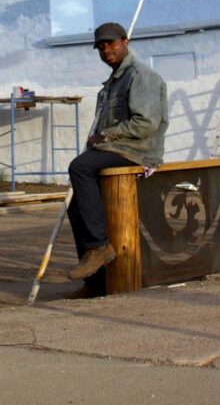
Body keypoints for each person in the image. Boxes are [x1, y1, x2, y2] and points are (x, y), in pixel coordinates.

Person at [66, 21, 168, 294]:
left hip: (138, 152)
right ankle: (96, 280)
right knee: (76, 207)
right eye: (100, 46)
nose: (106, 49)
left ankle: (99, 247)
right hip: (117, 150)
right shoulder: (113, 82)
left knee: (80, 167)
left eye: (111, 43)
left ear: (125, 41)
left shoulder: (140, 75)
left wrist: (107, 136)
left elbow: (145, 123)